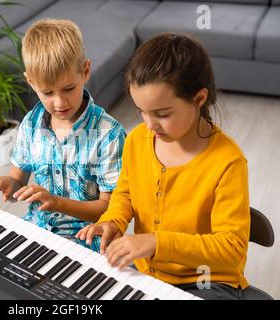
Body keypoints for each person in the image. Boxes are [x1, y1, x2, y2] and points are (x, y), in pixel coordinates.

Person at [76, 33, 250, 299]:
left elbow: (231, 249)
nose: (149, 125)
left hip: (207, 280)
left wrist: (158, 242)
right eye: (141, 112)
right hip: (148, 272)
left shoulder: (228, 162)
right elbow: (125, 194)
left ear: (199, 99)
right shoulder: (137, 140)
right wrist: (112, 222)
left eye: (162, 114)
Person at [0, 19, 126, 252]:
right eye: (47, 92)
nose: (59, 102)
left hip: (88, 243)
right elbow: (17, 181)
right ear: (31, 82)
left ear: (86, 71)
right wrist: (5, 184)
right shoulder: (31, 123)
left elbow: (110, 208)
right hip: (37, 232)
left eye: (69, 88)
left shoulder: (109, 134)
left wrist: (57, 203)